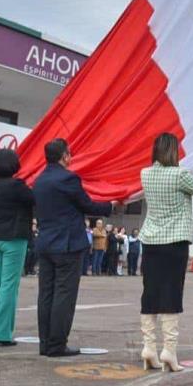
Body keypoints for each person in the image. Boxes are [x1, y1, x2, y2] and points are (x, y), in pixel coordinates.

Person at [34, 138, 115, 357]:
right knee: (64, 295)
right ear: (64, 156)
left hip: (46, 243)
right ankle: (57, 343)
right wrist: (110, 205)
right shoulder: (68, 178)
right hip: (67, 245)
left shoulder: (39, 180)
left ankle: (45, 343)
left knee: (46, 294)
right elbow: (86, 205)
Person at [137, 132, 193, 371]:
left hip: (150, 239)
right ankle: (169, 350)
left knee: (150, 293)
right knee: (171, 293)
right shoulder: (180, 175)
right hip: (175, 241)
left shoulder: (145, 174)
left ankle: (148, 347)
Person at [0, 149, 35, 347]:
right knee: (9, 286)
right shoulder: (17, 185)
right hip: (14, 237)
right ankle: (1, 333)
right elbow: (33, 199)